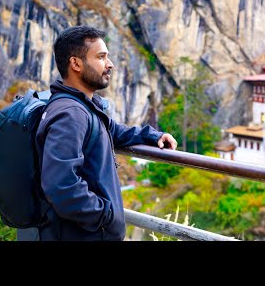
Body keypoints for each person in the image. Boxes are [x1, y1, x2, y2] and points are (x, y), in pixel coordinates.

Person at [34, 25, 177, 241]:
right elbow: (60, 185)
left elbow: (109, 130)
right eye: (101, 57)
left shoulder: (82, 107)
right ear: (76, 63)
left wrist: (152, 136)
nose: (109, 64)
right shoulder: (70, 115)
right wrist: (106, 216)